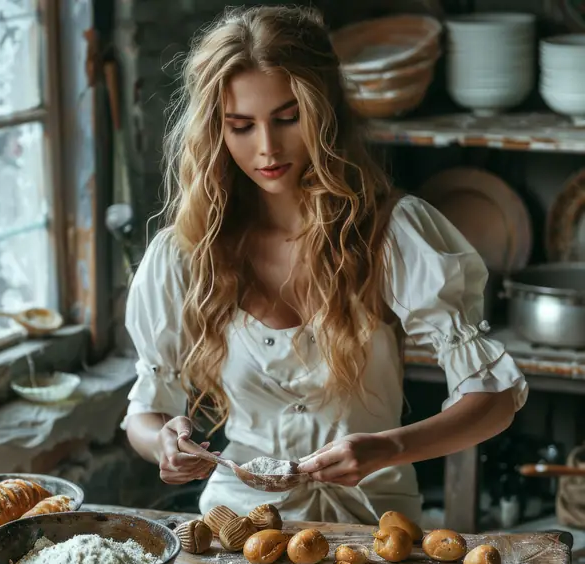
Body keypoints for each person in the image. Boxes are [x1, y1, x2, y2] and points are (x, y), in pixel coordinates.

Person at [122, 5, 527, 525]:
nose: (266, 148)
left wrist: (388, 448)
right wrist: (164, 443)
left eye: (288, 118)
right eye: (241, 126)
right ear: (214, 132)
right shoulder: (188, 252)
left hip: (374, 525)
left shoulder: (391, 232)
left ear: (324, 110)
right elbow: (144, 412)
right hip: (237, 523)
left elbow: (493, 399)